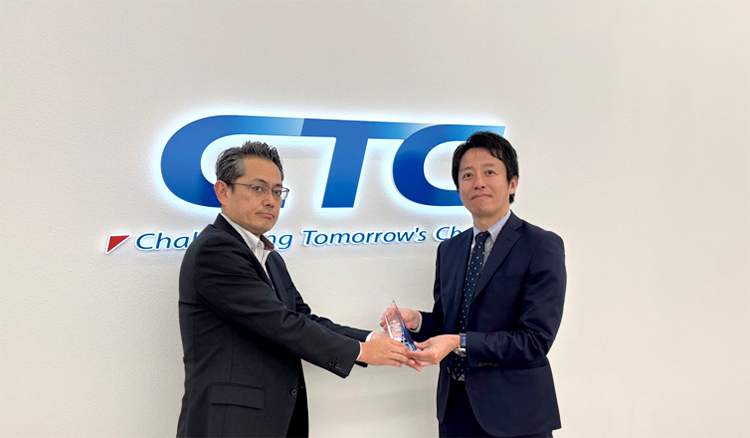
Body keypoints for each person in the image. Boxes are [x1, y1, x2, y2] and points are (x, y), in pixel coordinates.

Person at [176, 141, 415, 438]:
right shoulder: (214, 250)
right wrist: (362, 351)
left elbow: (303, 318)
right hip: (230, 423)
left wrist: (369, 337)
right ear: (223, 191)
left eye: (277, 191)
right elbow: (280, 324)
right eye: (258, 188)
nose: (271, 200)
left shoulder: (269, 257)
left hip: (274, 419)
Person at [396, 132, 567, 438]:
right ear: (458, 188)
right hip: (455, 411)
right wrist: (417, 320)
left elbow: (534, 341)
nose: (478, 182)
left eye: (489, 172)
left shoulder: (541, 245)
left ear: (512, 183)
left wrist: (459, 342)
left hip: (516, 415)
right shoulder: (449, 250)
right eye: (467, 175)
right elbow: (448, 323)